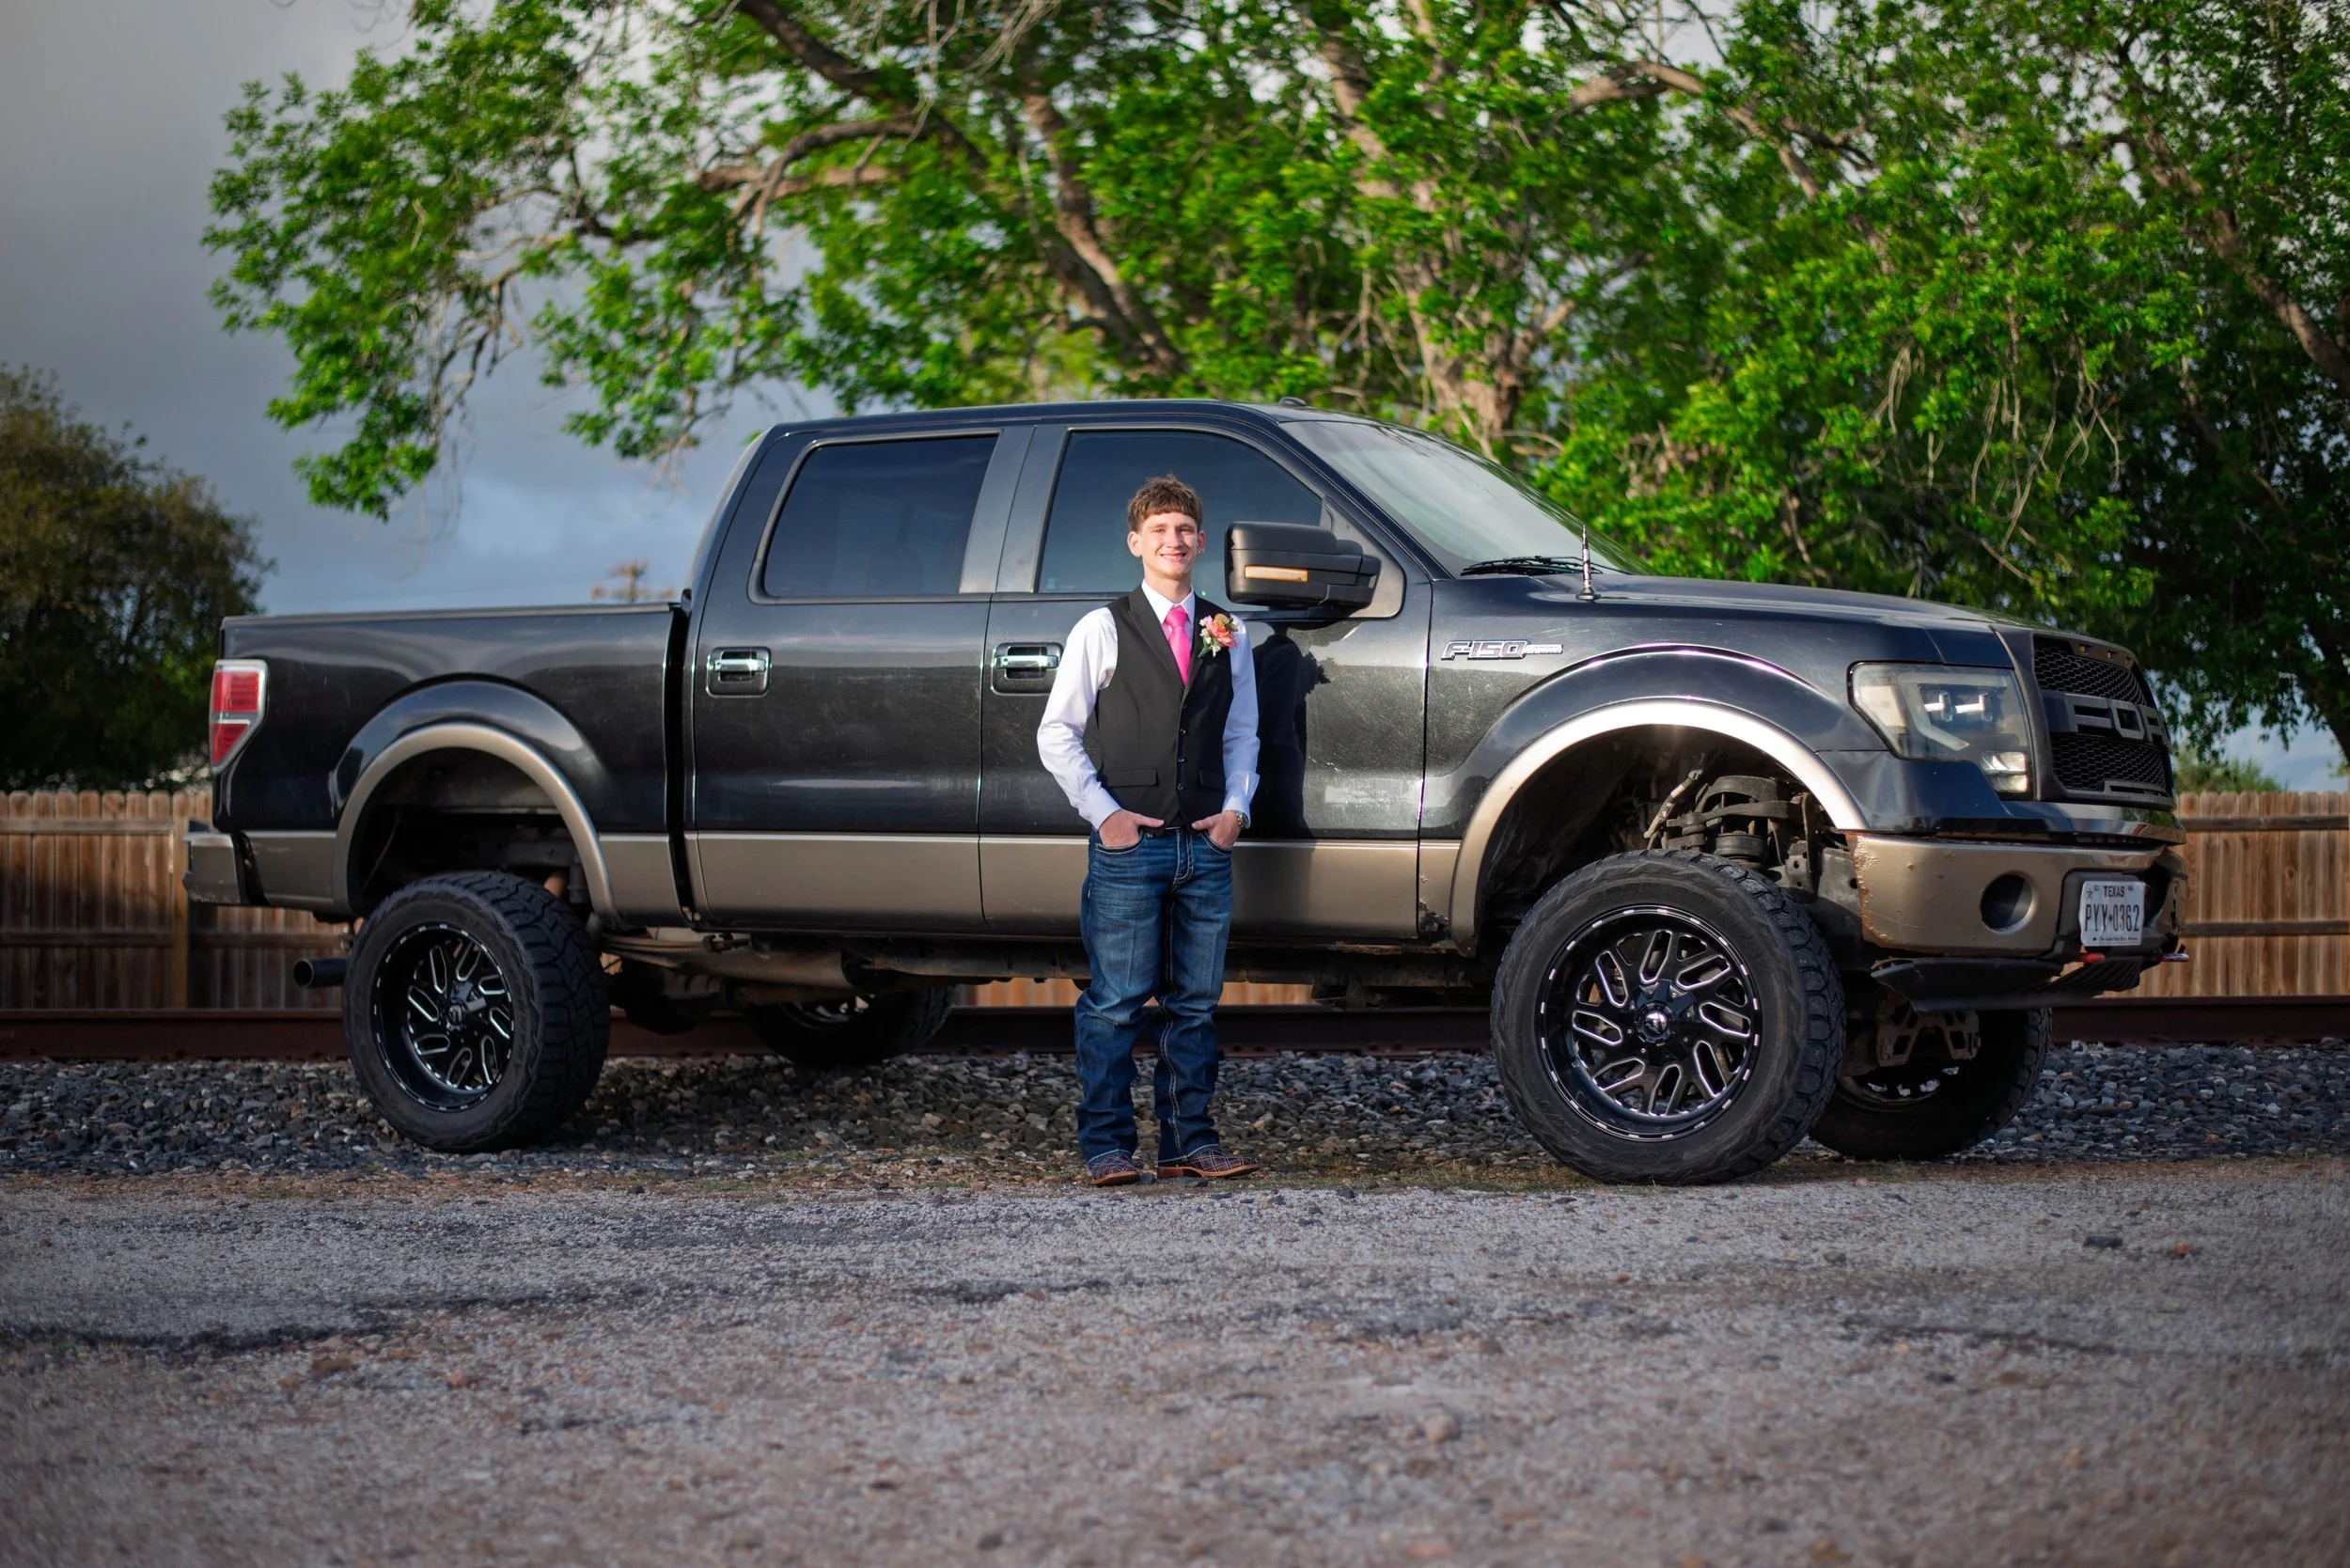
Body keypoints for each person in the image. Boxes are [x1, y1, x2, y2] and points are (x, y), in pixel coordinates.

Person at [1037, 475, 1261, 1186]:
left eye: (1186, 528)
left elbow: (1243, 732)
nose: (1174, 539)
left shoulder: (1228, 628)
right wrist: (1104, 815)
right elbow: (1057, 733)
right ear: (1136, 542)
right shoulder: (1102, 628)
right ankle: (1106, 1145)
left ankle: (1187, 1143)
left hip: (1207, 846)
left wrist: (1235, 811)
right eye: (1160, 529)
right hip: (1131, 848)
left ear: (1199, 541)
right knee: (1115, 1001)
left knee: (1194, 1005)